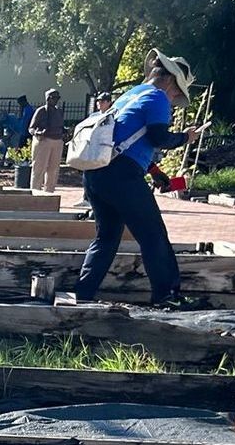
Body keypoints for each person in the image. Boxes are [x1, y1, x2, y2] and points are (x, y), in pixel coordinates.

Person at [63, 50, 209, 309]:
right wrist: (186, 137)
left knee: (106, 238)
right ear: (169, 81)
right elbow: (158, 138)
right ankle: (166, 296)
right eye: (177, 93)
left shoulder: (129, 96)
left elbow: (125, 140)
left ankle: (83, 294)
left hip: (97, 175)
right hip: (122, 177)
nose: (175, 99)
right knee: (153, 235)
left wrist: (154, 171)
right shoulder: (157, 98)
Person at [28, 88, 65, 193]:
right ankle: (35, 191)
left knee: (53, 170)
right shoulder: (41, 111)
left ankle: (49, 192)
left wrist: (65, 131)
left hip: (57, 141)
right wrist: (38, 133)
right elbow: (31, 128)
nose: (56, 100)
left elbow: (61, 126)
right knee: (39, 169)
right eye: (54, 98)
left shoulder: (59, 112)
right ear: (48, 99)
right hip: (43, 141)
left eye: (58, 98)